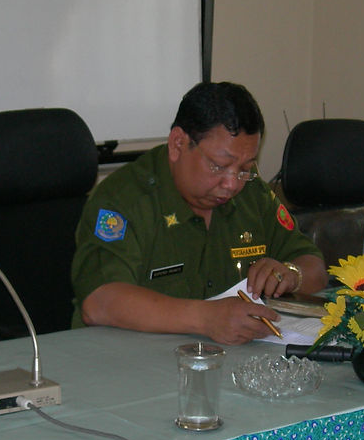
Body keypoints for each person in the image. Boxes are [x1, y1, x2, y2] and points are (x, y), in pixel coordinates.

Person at [71, 81, 328, 345]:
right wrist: (206, 319)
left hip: (229, 364)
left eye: (245, 167)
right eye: (219, 166)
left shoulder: (253, 193)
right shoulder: (124, 199)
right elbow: (99, 302)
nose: (232, 184)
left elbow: (316, 268)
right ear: (178, 143)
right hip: (130, 363)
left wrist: (292, 274)